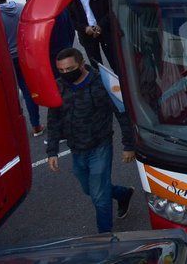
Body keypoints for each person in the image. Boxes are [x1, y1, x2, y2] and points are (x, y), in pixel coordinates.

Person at [47, 48, 135, 233]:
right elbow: (53, 119)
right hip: (76, 148)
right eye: (61, 70)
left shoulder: (103, 82)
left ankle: (104, 238)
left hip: (100, 147)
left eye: (69, 68)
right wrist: (52, 151)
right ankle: (123, 194)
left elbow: (122, 113)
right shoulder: (59, 86)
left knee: (99, 197)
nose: (65, 74)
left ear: (80, 64)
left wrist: (128, 145)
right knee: (90, 190)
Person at [0, 0, 43, 135]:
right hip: (22, 55)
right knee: (28, 90)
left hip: (5, 60)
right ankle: (36, 124)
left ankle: (12, 128)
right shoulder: (20, 8)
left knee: (8, 94)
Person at [25, 0, 76, 74]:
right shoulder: (57, 5)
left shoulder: (44, 13)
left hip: (54, 55)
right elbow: (71, 30)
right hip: (63, 50)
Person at [67, 0, 119, 71]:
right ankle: (100, 83)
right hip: (86, 34)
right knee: (96, 65)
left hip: (105, 31)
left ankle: (120, 81)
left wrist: (101, 25)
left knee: (114, 61)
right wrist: (85, 28)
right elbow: (71, 19)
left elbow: (111, 10)